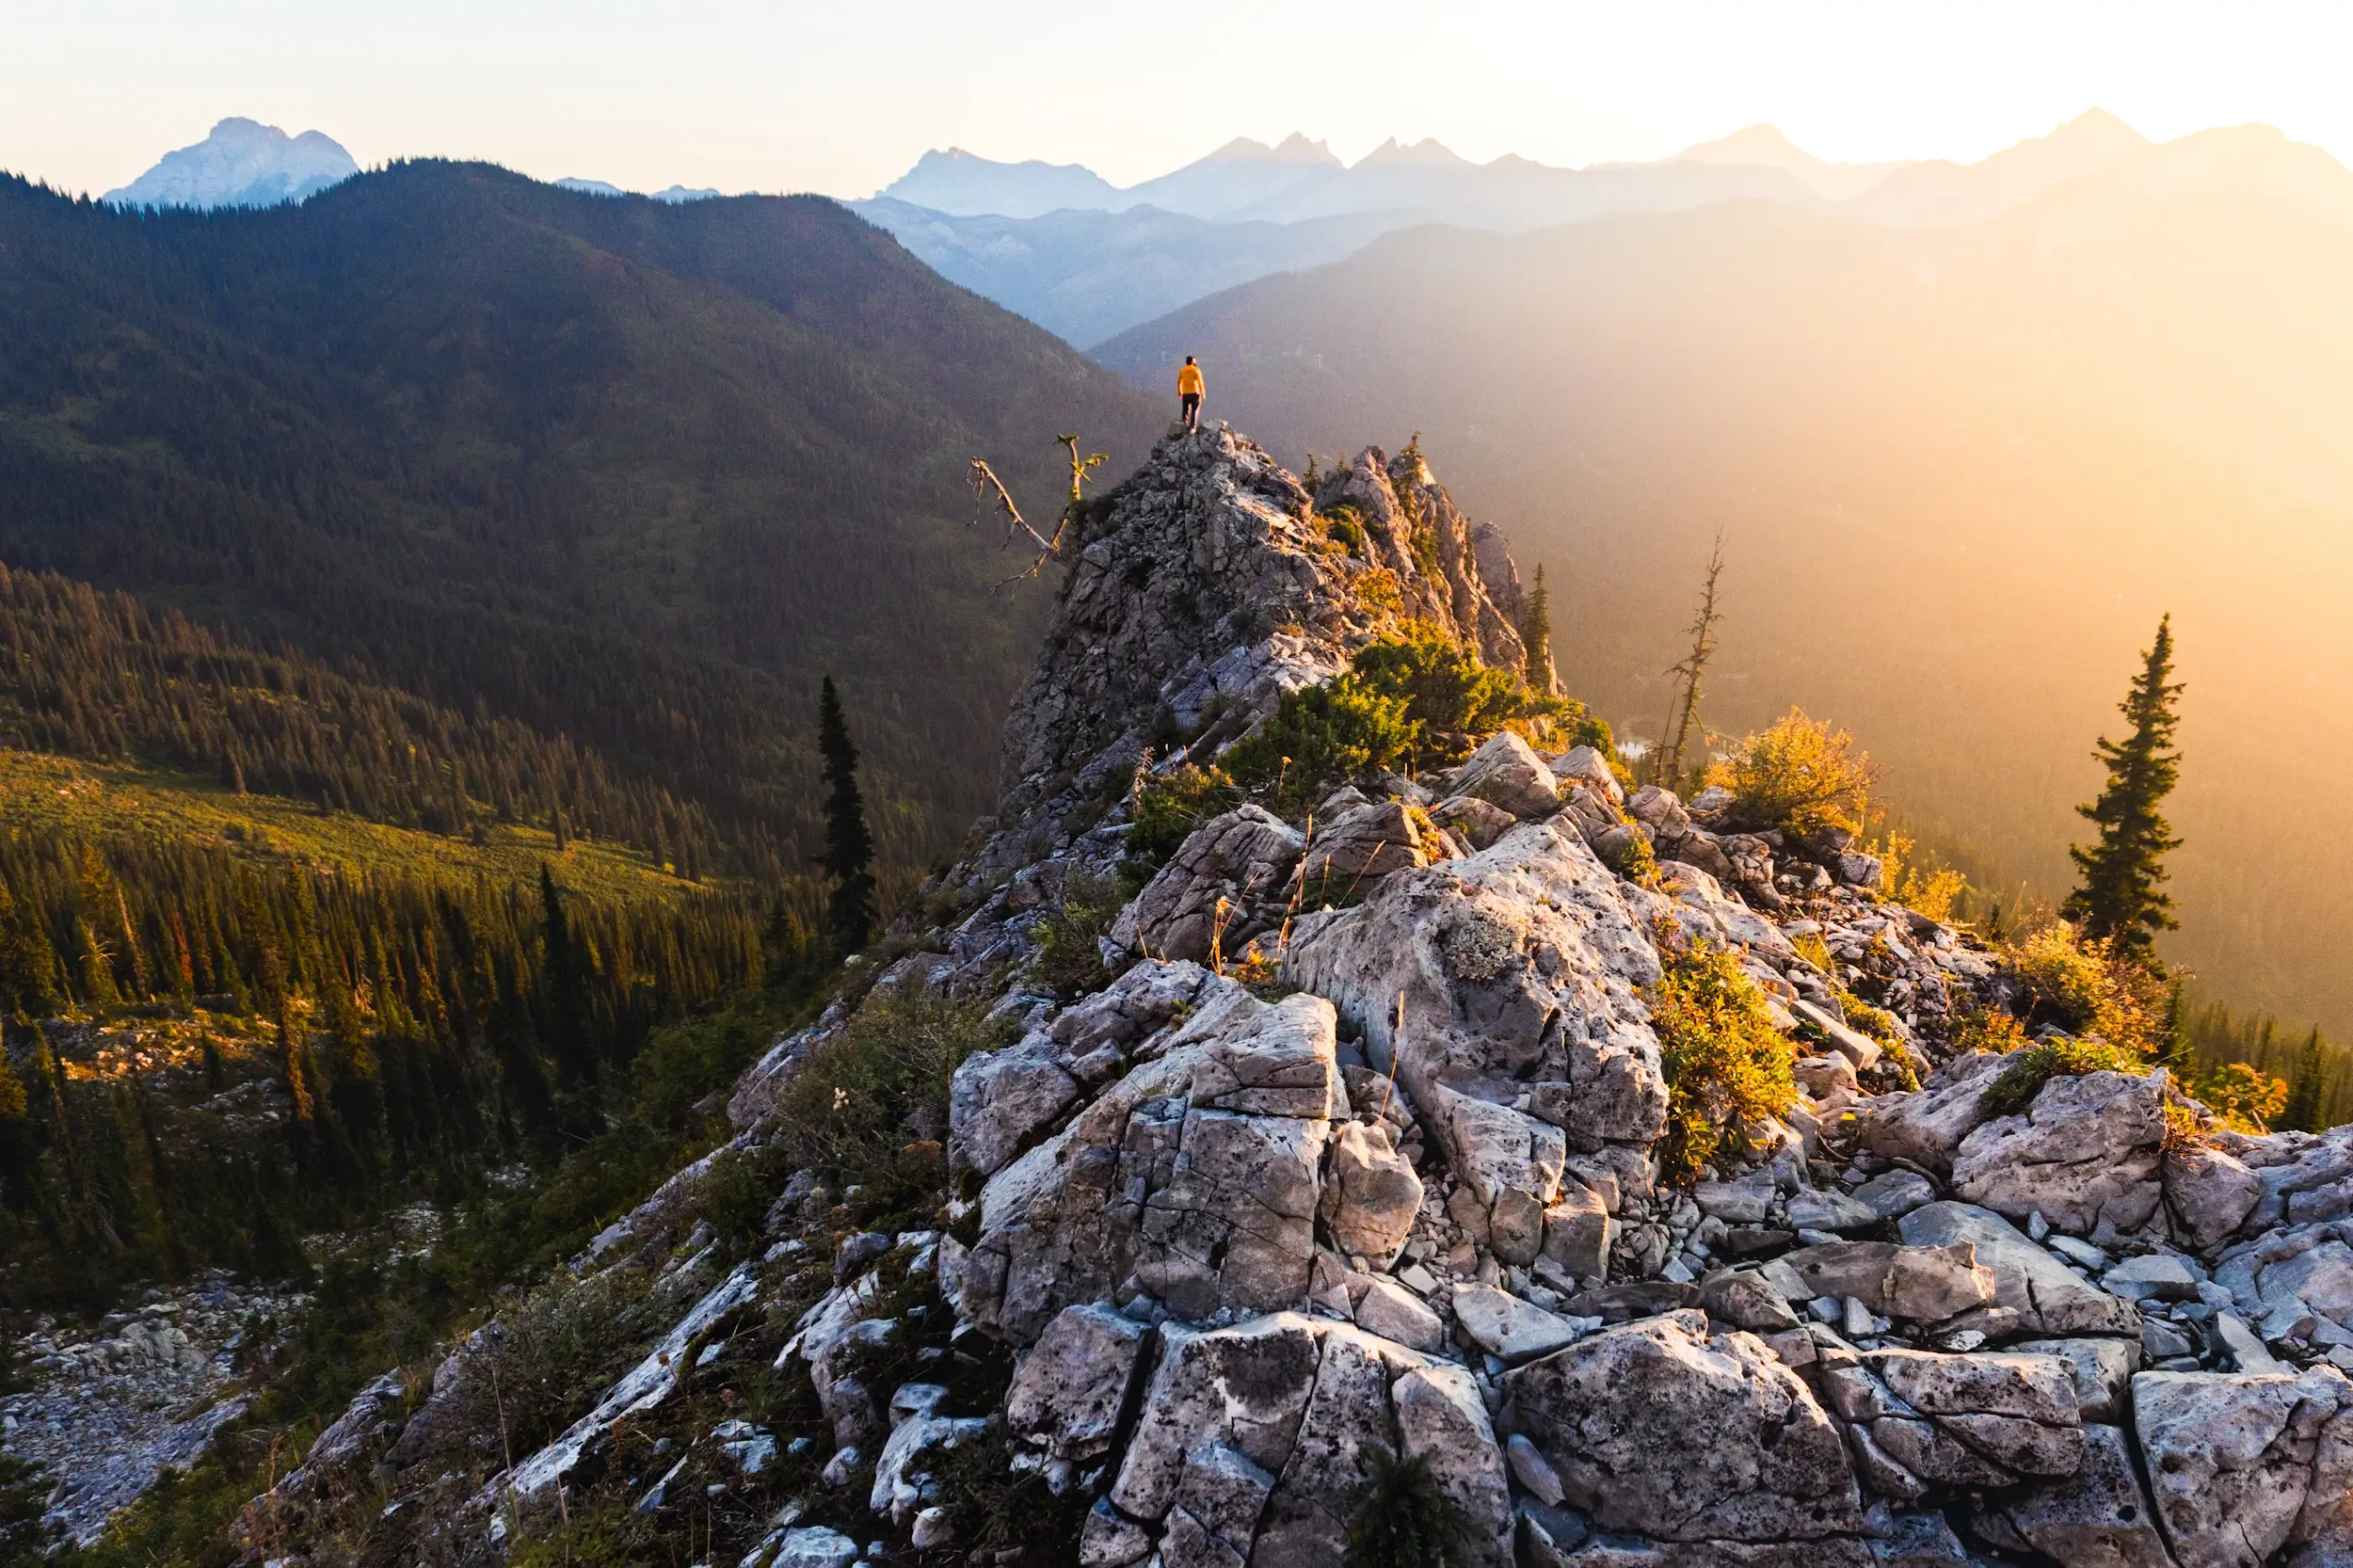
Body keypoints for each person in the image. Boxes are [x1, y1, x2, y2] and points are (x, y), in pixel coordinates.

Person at [1176, 356, 1204, 430]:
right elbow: (1200, 383)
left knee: (1185, 410)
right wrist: (1203, 393)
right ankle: (1192, 427)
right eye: (1195, 360)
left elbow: (1179, 381)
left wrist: (1180, 392)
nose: (1196, 362)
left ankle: (1184, 425)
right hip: (1195, 393)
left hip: (1185, 394)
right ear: (1192, 361)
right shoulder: (1196, 370)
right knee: (1195, 410)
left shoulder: (1182, 370)